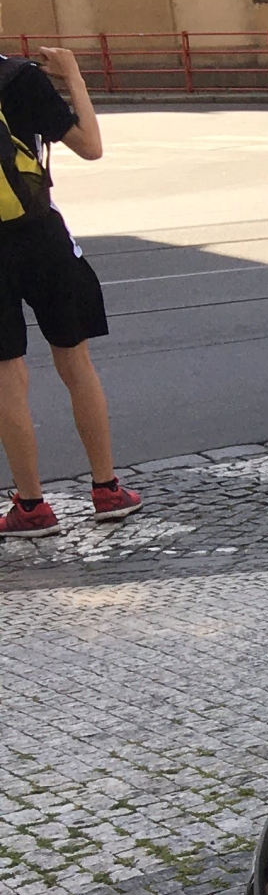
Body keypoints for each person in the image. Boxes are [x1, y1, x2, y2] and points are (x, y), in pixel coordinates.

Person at [1, 37, 137, 536]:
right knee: (75, 361)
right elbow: (91, 147)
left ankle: (32, 508)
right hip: (43, 236)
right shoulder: (21, 78)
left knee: (6, 378)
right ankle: (107, 491)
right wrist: (72, 76)